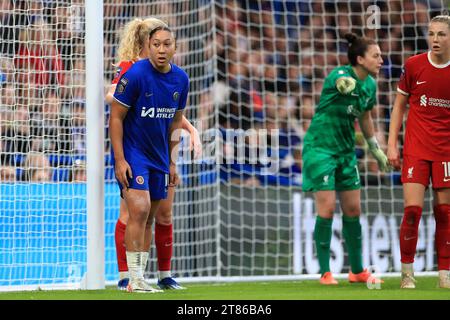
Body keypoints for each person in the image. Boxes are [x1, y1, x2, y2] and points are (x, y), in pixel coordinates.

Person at [106, 18, 201, 291]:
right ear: (147, 45)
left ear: (175, 47)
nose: (161, 49)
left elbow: (174, 121)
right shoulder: (133, 73)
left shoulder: (181, 79)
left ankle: (146, 276)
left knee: (153, 215)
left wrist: (173, 161)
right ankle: (130, 278)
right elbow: (115, 114)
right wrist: (120, 159)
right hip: (133, 151)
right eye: (156, 43)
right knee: (138, 210)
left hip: (160, 155)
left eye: (166, 44)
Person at [302, 33, 389, 285]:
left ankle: (358, 271)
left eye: (381, 55)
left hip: (345, 151)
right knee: (327, 208)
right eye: (376, 56)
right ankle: (325, 272)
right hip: (321, 149)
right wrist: (347, 85)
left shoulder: (371, 85)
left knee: (353, 209)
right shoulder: (339, 75)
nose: (381, 60)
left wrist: (375, 149)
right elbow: (342, 85)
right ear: (360, 59)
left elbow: (364, 118)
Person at [387, 15, 450, 289]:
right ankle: (407, 274)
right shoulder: (413, 65)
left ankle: (445, 275)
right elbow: (399, 106)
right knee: (411, 211)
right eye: (432, 33)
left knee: (445, 213)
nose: (435, 39)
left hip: (446, 151)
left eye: (441, 35)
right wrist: (391, 144)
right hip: (415, 148)